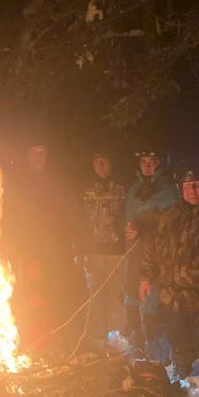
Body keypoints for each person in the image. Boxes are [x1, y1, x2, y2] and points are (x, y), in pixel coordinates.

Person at [139, 160, 199, 397]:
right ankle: (179, 382)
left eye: (198, 185)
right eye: (188, 186)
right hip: (174, 296)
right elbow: (153, 247)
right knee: (178, 341)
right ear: (181, 188)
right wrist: (145, 277)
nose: (193, 191)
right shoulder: (169, 216)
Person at [4, 139, 80, 350]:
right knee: (29, 296)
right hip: (27, 251)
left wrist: (71, 243)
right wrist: (19, 249)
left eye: (42, 151)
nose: (39, 156)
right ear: (27, 155)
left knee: (55, 296)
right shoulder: (19, 183)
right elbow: (13, 217)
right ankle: (28, 343)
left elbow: (69, 214)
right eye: (34, 151)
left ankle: (57, 343)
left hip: (56, 251)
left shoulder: (57, 181)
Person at [124, 149, 178, 360]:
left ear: (161, 164)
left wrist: (144, 230)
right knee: (131, 298)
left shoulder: (168, 192)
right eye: (143, 161)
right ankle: (136, 349)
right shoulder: (134, 190)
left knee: (152, 304)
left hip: (157, 258)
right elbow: (128, 220)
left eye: (152, 161)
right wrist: (129, 232)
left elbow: (169, 229)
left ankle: (158, 357)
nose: (147, 166)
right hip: (134, 255)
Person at [79, 149, 126, 351]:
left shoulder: (122, 187)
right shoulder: (85, 187)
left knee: (116, 294)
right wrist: (80, 247)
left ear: (111, 162)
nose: (101, 166)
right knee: (95, 294)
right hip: (93, 251)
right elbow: (79, 218)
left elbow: (128, 214)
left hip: (117, 250)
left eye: (104, 161)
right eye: (97, 161)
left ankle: (115, 335)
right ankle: (96, 336)